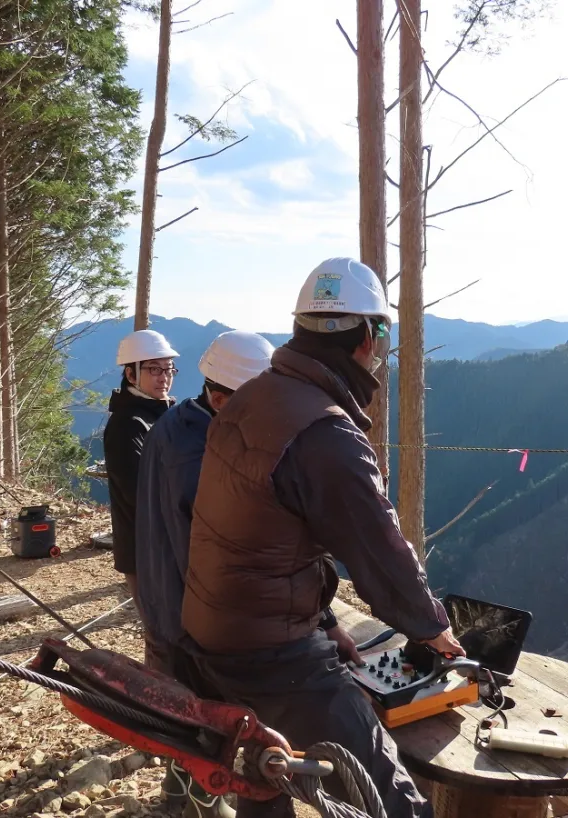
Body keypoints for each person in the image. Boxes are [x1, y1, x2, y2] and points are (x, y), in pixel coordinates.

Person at [181, 257, 463, 818]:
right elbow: (381, 554)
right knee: (384, 792)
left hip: (208, 633)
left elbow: (261, 536)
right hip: (270, 653)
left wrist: (327, 621)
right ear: (366, 335)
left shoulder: (253, 398)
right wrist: (434, 630)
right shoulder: (324, 433)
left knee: (262, 781)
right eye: (381, 332)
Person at [134, 330, 275, 818]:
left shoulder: (182, 423)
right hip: (187, 610)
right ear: (219, 397)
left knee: (186, 713)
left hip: (168, 597)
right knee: (205, 720)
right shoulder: (194, 450)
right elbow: (222, 535)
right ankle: (200, 807)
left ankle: (177, 798)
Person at [103, 328, 178, 604]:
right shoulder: (128, 424)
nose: (164, 377)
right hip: (147, 548)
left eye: (168, 369)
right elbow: (138, 494)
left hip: (165, 543)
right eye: (154, 369)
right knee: (161, 626)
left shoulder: (159, 414)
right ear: (131, 375)